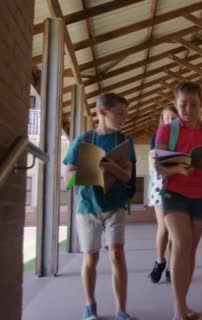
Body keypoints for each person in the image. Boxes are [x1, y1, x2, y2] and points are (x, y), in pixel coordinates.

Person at [155, 82, 202, 320]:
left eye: (193, 104)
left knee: (190, 251)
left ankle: (184, 303)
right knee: (182, 245)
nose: (188, 109)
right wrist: (179, 169)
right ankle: (178, 309)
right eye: (183, 104)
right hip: (174, 193)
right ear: (176, 104)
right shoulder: (167, 130)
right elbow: (159, 166)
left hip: (201, 194)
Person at [63, 93, 136, 320]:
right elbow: (68, 177)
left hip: (116, 205)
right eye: (119, 113)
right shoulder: (83, 140)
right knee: (91, 257)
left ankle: (121, 310)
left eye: (126, 114)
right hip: (87, 206)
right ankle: (89, 305)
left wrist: (109, 166)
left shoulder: (124, 142)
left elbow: (126, 176)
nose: (124, 118)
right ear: (102, 113)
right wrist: (91, 169)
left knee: (116, 253)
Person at [148, 105, 178, 283]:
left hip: (178, 183)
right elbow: (155, 160)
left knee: (175, 230)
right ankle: (160, 261)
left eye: (174, 117)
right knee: (164, 228)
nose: (171, 120)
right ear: (162, 119)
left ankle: (171, 266)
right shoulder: (157, 136)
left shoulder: (181, 137)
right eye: (167, 117)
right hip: (160, 184)